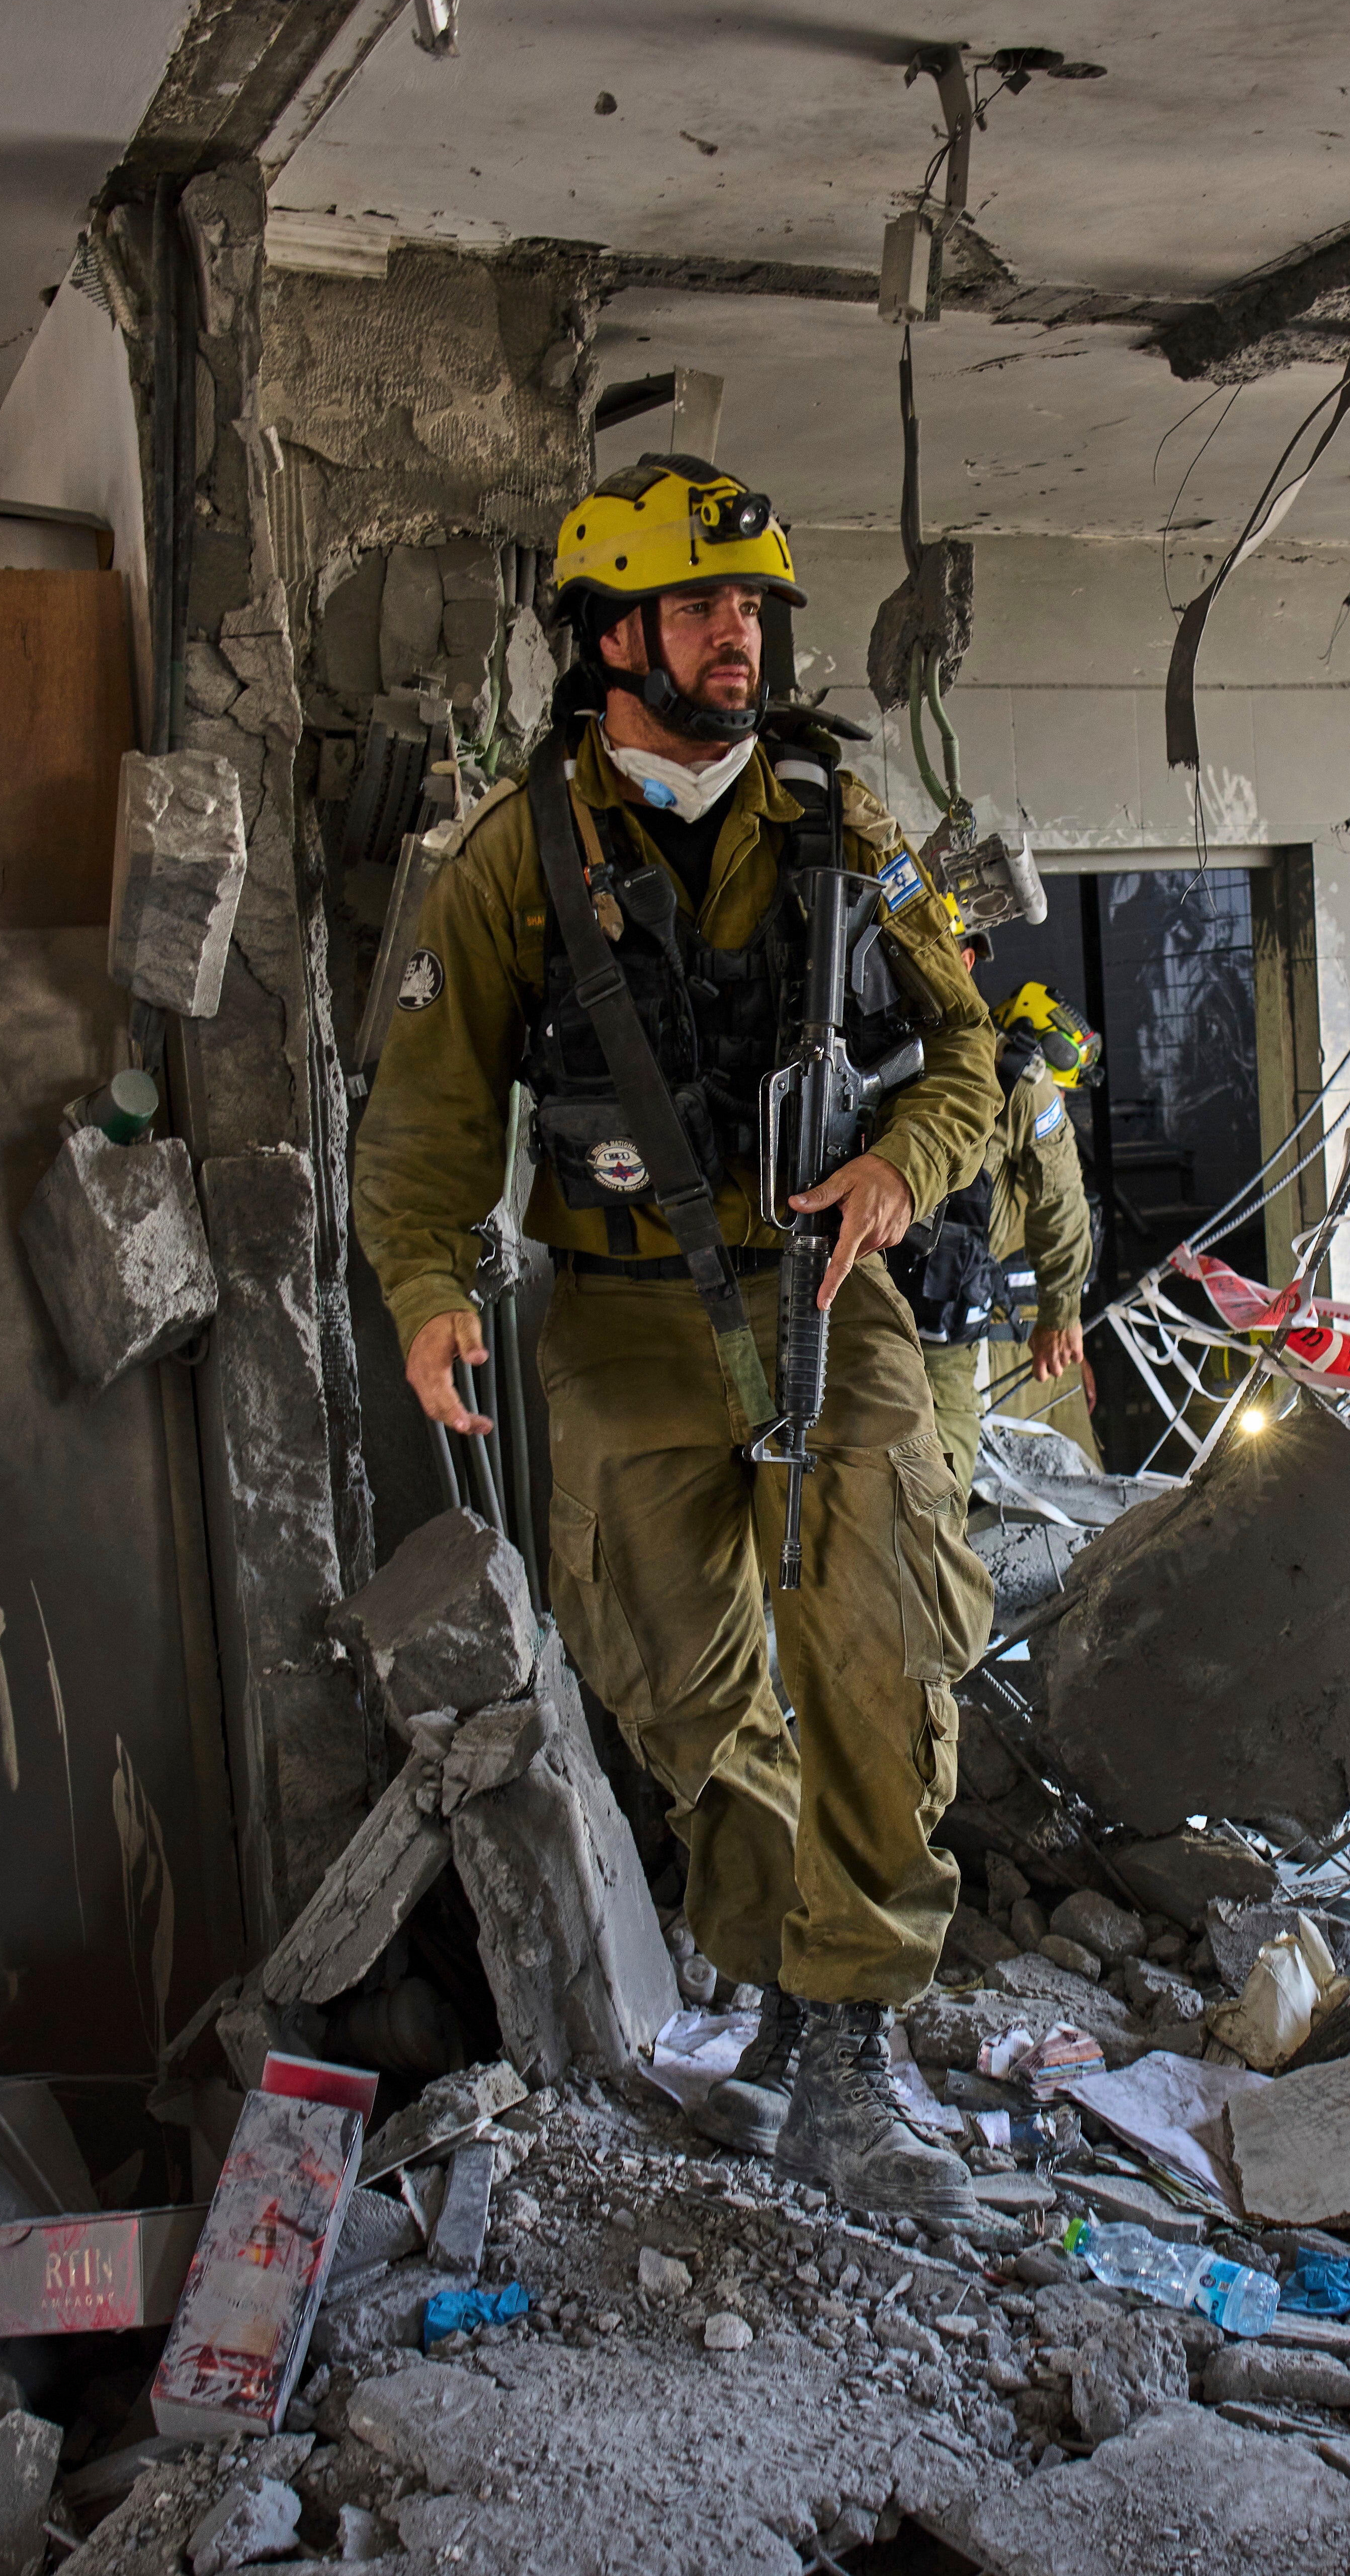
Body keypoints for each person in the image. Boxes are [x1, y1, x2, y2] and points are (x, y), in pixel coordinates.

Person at [350, 454, 999, 2220]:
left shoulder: (845, 835)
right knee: (670, 1678)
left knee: (878, 1641)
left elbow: (968, 1065)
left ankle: (854, 2032)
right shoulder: (508, 859)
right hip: (620, 1321)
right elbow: (416, 1131)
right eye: (707, 604)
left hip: (824, 1304)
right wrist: (424, 1297)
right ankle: (780, 1965)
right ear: (610, 631)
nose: (744, 633)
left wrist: (893, 1167)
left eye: (756, 607)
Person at [892, 942, 1095, 1496]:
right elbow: (1061, 1203)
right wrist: (1061, 1313)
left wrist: (1060, 1310)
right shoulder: (863, 1045)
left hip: (934, 1320)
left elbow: (1061, 1204)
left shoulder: (1016, 1080)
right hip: (858, 1309)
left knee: (938, 1489)